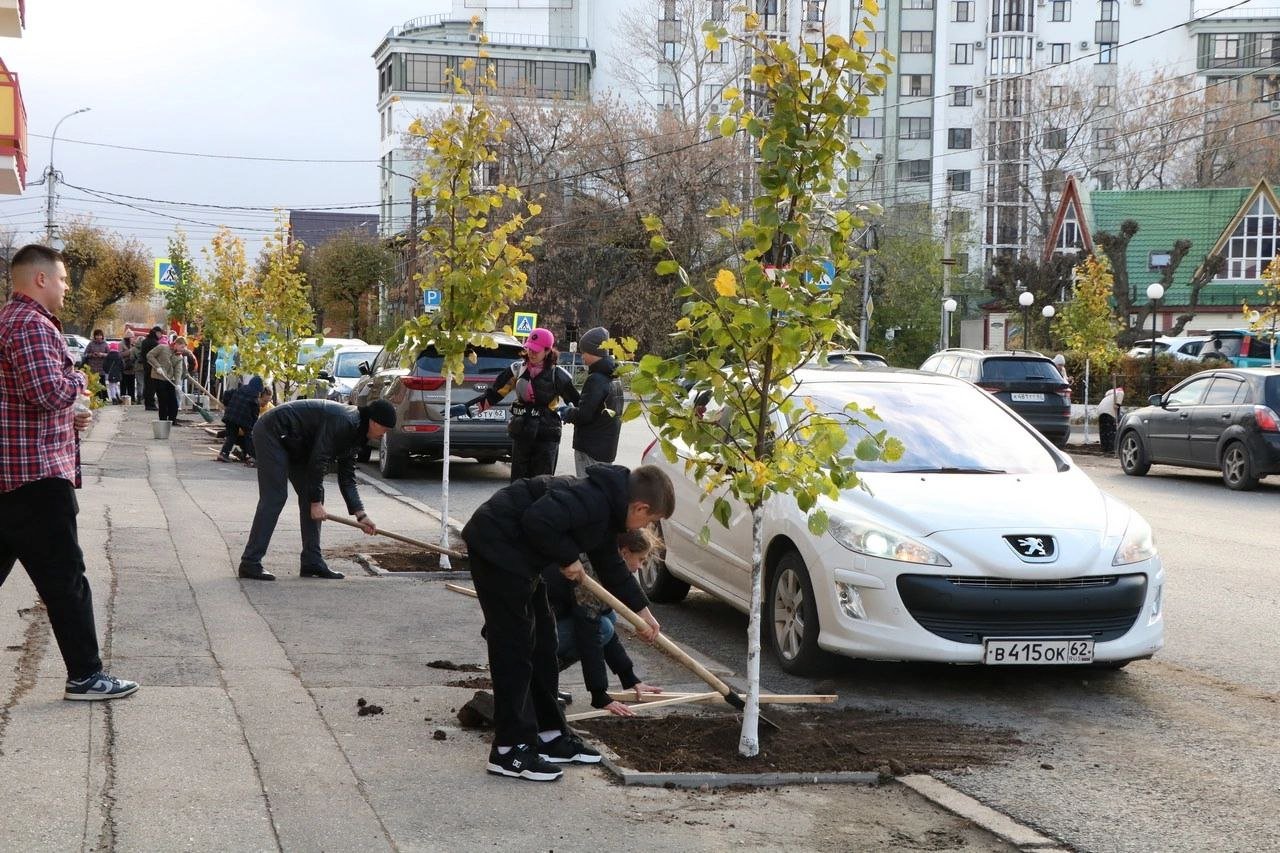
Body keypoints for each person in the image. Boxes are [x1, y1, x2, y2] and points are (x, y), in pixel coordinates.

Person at [461, 463, 674, 782]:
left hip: (522, 559)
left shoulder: (608, 511)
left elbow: (610, 564)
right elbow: (537, 520)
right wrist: (566, 556)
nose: (647, 526)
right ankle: (509, 750)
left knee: (544, 644)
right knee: (515, 649)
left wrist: (642, 612)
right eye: (651, 520)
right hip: (498, 548)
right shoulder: (591, 499)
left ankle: (549, 735)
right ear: (640, 507)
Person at [0, 244, 138, 700]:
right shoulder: (31, 325)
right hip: (35, 478)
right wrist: (77, 384)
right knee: (66, 579)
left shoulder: (12, 321)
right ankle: (86, 676)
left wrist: (70, 412)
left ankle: (86, 673)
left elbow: (28, 398)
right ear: (39, 279)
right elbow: (46, 391)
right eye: (61, 279)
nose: (65, 287)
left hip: (15, 473)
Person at [237, 398, 395, 581]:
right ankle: (250, 562)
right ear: (374, 422)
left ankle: (312, 561)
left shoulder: (358, 432)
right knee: (275, 497)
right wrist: (315, 502)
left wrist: (361, 515)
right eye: (385, 429)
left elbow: (347, 476)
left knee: (311, 494)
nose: (384, 435)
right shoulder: (344, 421)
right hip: (273, 431)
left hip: (296, 443)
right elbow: (319, 459)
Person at [546, 526, 664, 716]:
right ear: (624, 553)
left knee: (608, 618)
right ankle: (537, 682)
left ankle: (543, 682)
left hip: (545, 625)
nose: (641, 567)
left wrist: (631, 679)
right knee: (603, 626)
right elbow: (589, 633)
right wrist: (600, 695)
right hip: (525, 637)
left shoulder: (599, 563)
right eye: (640, 559)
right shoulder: (588, 572)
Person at [467, 327, 579, 481]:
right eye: (530, 349)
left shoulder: (558, 375)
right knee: (518, 486)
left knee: (541, 483)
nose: (531, 353)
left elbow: (577, 403)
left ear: (547, 351)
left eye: (536, 350)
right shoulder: (517, 370)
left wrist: (575, 415)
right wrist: (467, 410)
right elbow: (494, 395)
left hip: (546, 434)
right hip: (522, 432)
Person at [558, 326, 624, 477]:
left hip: (590, 447)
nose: (582, 356)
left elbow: (584, 415)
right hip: (606, 447)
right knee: (599, 492)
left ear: (595, 352)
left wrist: (567, 412)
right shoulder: (615, 377)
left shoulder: (596, 379)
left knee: (586, 491)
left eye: (584, 352)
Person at [217, 376, 265, 465]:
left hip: (230, 416)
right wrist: (254, 427)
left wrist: (227, 404)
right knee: (248, 437)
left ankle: (223, 454)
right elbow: (254, 416)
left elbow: (226, 394)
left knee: (231, 436)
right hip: (244, 419)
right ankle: (255, 457)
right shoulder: (254, 399)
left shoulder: (239, 389)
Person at [147, 335, 189, 425]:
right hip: (158, 377)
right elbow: (149, 355)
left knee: (173, 401)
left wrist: (178, 383)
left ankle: (172, 420)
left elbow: (178, 371)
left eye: (184, 347)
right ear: (176, 344)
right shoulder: (162, 348)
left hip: (169, 379)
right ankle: (163, 420)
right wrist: (157, 367)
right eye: (182, 347)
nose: (182, 349)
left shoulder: (179, 357)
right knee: (163, 399)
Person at [137, 325, 164, 411]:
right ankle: (150, 404)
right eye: (160, 334)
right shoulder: (154, 343)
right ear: (156, 332)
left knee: (147, 384)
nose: (161, 336)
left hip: (146, 366)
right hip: (152, 366)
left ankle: (147, 403)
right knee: (151, 386)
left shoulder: (145, 341)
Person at [1096, 386, 1124, 453]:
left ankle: (1104, 448)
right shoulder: (1120, 392)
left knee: (1104, 431)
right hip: (1109, 413)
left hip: (1100, 412)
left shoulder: (1108, 396)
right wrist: (1117, 418)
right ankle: (1111, 448)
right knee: (1111, 431)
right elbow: (1117, 406)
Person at [119, 334, 137, 402]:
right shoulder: (121, 344)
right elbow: (120, 354)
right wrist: (130, 351)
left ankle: (132, 399)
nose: (132, 338)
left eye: (133, 337)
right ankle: (123, 399)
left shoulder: (133, 344)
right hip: (124, 367)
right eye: (131, 337)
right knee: (123, 385)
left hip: (132, 368)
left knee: (131, 385)